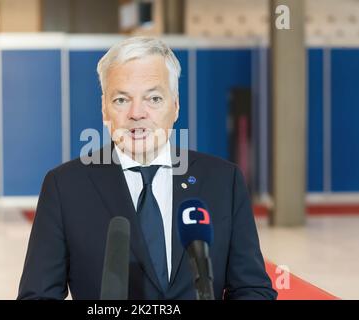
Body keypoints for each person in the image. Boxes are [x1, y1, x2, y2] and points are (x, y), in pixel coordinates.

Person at [17, 36, 277, 300]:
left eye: (153, 98)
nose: (137, 113)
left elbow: (252, 289)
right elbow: (37, 295)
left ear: (175, 106)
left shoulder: (224, 182)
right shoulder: (65, 188)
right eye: (121, 100)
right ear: (104, 108)